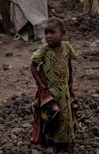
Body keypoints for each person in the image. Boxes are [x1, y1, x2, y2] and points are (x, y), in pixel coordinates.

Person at [31, 18, 77, 154]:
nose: (48, 36)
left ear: (62, 33)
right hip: (50, 91)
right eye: (46, 33)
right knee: (51, 116)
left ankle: (68, 142)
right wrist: (40, 85)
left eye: (52, 32)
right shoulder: (44, 50)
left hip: (64, 90)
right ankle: (51, 143)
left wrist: (70, 83)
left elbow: (69, 64)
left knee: (66, 117)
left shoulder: (67, 47)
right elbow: (33, 67)